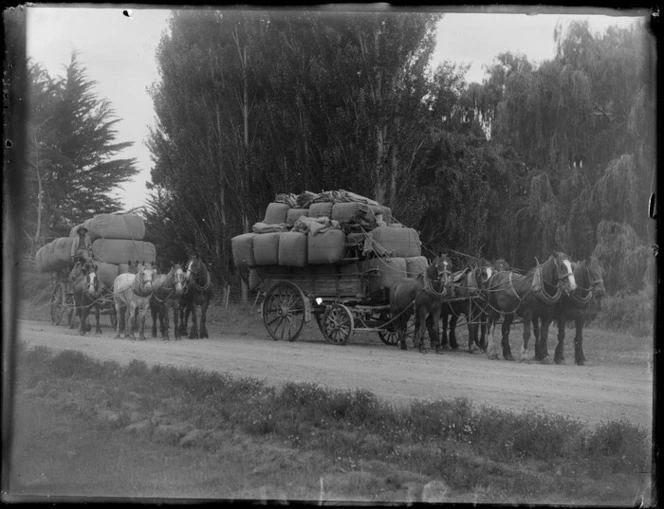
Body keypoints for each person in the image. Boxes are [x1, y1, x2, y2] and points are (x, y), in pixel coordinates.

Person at [68, 226, 93, 291]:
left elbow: (90, 245)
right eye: (81, 231)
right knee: (84, 253)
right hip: (78, 251)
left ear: (85, 231)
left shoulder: (87, 238)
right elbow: (73, 246)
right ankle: (87, 263)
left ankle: (88, 265)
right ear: (79, 232)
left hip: (85, 250)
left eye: (83, 231)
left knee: (87, 253)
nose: (82, 232)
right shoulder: (76, 238)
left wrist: (90, 247)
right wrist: (72, 254)